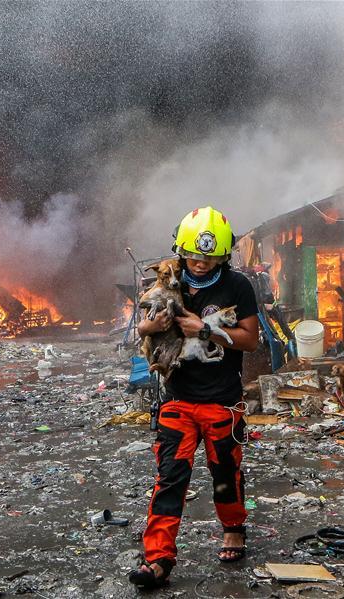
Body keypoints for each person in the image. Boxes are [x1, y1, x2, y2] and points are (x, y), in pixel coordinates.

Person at [129, 206, 260, 588]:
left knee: (224, 472)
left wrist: (204, 329)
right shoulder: (169, 280)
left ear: (224, 254)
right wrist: (149, 326)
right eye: (194, 254)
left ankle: (234, 527)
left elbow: (250, 340)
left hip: (222, 400)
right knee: (170, 478)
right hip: (177, 399)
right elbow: (141, 326)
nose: (200, 263)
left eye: (210, 255)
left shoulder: (237, 287)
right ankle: (157, 559)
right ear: (181, 249)